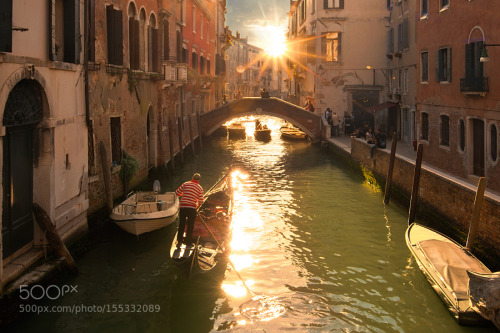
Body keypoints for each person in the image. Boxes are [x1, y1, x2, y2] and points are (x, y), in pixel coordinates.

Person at [175, 173, 204, 246]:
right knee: (190, 226)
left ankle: (179, 241)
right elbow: (201, 202)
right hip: (192, 208)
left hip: (183, 207)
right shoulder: (200, 188)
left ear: (192, 178)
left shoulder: (185, 184)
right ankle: (188, 242)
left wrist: (184, 194)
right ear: (199, 180)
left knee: (182, 224)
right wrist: (196, 205)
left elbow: (177, 193)